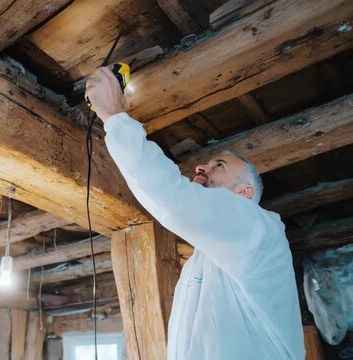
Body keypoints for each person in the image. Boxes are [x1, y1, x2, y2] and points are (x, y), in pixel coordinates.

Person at [85, 67, 305, 360]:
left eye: (220, 166)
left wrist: (115, 117)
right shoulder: (199, 263)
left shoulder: (260, 229)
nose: (201, 167)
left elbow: (173, 197)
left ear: (244, 193)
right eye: (207, 165)